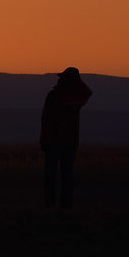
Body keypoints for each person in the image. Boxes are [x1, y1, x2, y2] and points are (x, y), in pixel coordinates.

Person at [40, 66, 93, 208]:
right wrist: (78, 81)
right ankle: (66, 205)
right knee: (67, 175)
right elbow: (88, 92)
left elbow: (46, 119)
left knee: (50, 175)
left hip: (53, 141)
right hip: (70, 142)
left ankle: (49, 204)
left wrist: (44, 139)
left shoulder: (54, 95)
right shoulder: (77, 98)